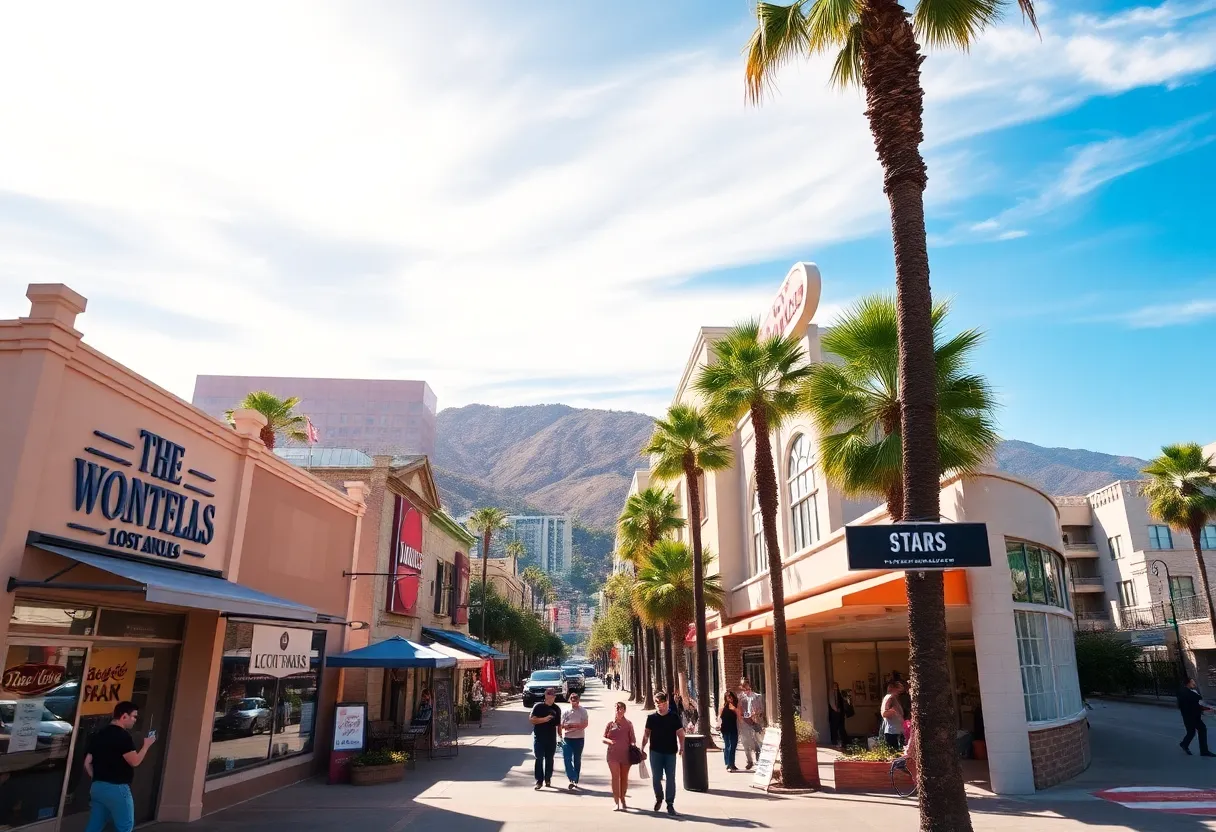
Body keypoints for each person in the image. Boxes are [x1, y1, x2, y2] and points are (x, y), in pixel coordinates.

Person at [83, 701, 156, 832]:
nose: (135, 720)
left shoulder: (99, 734)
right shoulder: (123, 736)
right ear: (124, 716)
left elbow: (87, 762)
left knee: (95, 825)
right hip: (117, 788)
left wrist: (98, 778)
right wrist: (146, 746)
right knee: (125, 826)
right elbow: (134, 761)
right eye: (134, 716)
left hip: (97, 787)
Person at [642, 692, 685, 816]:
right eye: (657, 703)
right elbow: (646, 734)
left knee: (670, 777)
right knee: (656, 777)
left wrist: (682, 747)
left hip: (670, 752)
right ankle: (659, 797)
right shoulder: (651, 718)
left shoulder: (674, 717)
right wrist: (642, 748)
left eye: (662, 703)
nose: (659, 706)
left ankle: (670, 803)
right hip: (655, 752)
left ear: (666, 703)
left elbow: (681, 734)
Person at [603, 701, 636, 811]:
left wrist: (634, 748)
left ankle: (623, 798)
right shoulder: (610, 724)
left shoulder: (629, 724)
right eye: (617, 709)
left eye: (621, 709)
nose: (619, 711)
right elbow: (603, 738)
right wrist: (609, 741)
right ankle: (616, 802)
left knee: (624, 778)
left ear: (625, 710)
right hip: (612, 755)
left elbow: (633, 739)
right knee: (615, 777)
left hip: (625, 755)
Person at [529, 688, 563, 789]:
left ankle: (548, 779)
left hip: (551, 738)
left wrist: (560, 736)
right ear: (546, 696)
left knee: (549, 759)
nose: (552, 698)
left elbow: (558, 724)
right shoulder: (538, 706)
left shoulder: (556, 708)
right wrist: (545, 719)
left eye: (554, 696)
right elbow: (532, 720)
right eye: (550, 695)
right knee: (539, 758)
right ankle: (539, 781)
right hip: (539, 737)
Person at [1178, 677, 1214, 757]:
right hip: (1192, 716)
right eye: (1192, 682)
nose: (1194, 683)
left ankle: (1184, 744)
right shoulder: (1187, 693)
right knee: (1202, 729)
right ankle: (1204, 751)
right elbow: (1196, 701)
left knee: (1191, 732)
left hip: (1188, 716)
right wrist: (1206, 708)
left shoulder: (1184, 691)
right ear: (1188, 683)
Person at [561, 692, 589, 789]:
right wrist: (569, 726)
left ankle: (575, 780)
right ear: (570, 701)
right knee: (567, 758)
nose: (574, 703)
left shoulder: (583, 711)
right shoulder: (566, 711)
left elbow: (585, 724)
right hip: (567, 738)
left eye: (576, 701)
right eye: (572, 701)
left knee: (577, 759)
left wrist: (574, 726)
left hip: (579, 738)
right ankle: (572, 778)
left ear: (578, 701)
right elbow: (561, 725)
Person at [737, 676, 764, 770]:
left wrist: (755, 713)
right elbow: (738, 710)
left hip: (755, 721)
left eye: (745, 685)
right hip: (744, 722)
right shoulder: (740, 697)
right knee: (745, 742)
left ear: (749, 686)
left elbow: (761, 709)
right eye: (742, 686)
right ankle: (749, 761)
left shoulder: (757, 696)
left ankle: (759, 760)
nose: (744, 688)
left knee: (757, 741)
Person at [719, 691, 740, 772]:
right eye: (728, 697)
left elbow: (739, 716)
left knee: (733, 746)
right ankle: (728, 764)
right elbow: (720, 717)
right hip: (725, 729)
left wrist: (734, 709)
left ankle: (732, 763)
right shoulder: (723, 707)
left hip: (733, 728)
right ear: (726, 698)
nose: (730, 698)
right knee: (728, 746)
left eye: (731, 697)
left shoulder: (735, 706)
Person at [881, 681, 905, 751]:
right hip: (893, 731)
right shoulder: (890, 697)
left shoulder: (894, 697)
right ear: (893, 688)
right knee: (894, 752)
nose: (900, 692)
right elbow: (884, 713)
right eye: (898, 690)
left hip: (896, 730)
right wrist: (893, 712)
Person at [828, 682, 852, 748]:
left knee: (841, 727)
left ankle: (844, 741)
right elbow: (832, 702)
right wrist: (836, 709)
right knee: (835, 727)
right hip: (835, 713)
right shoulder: (832, 693)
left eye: (836, 685)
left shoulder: (839, 693)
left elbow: (843, 701)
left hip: (840, 713)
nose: (835, 687)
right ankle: (836, 741)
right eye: (834, 686)